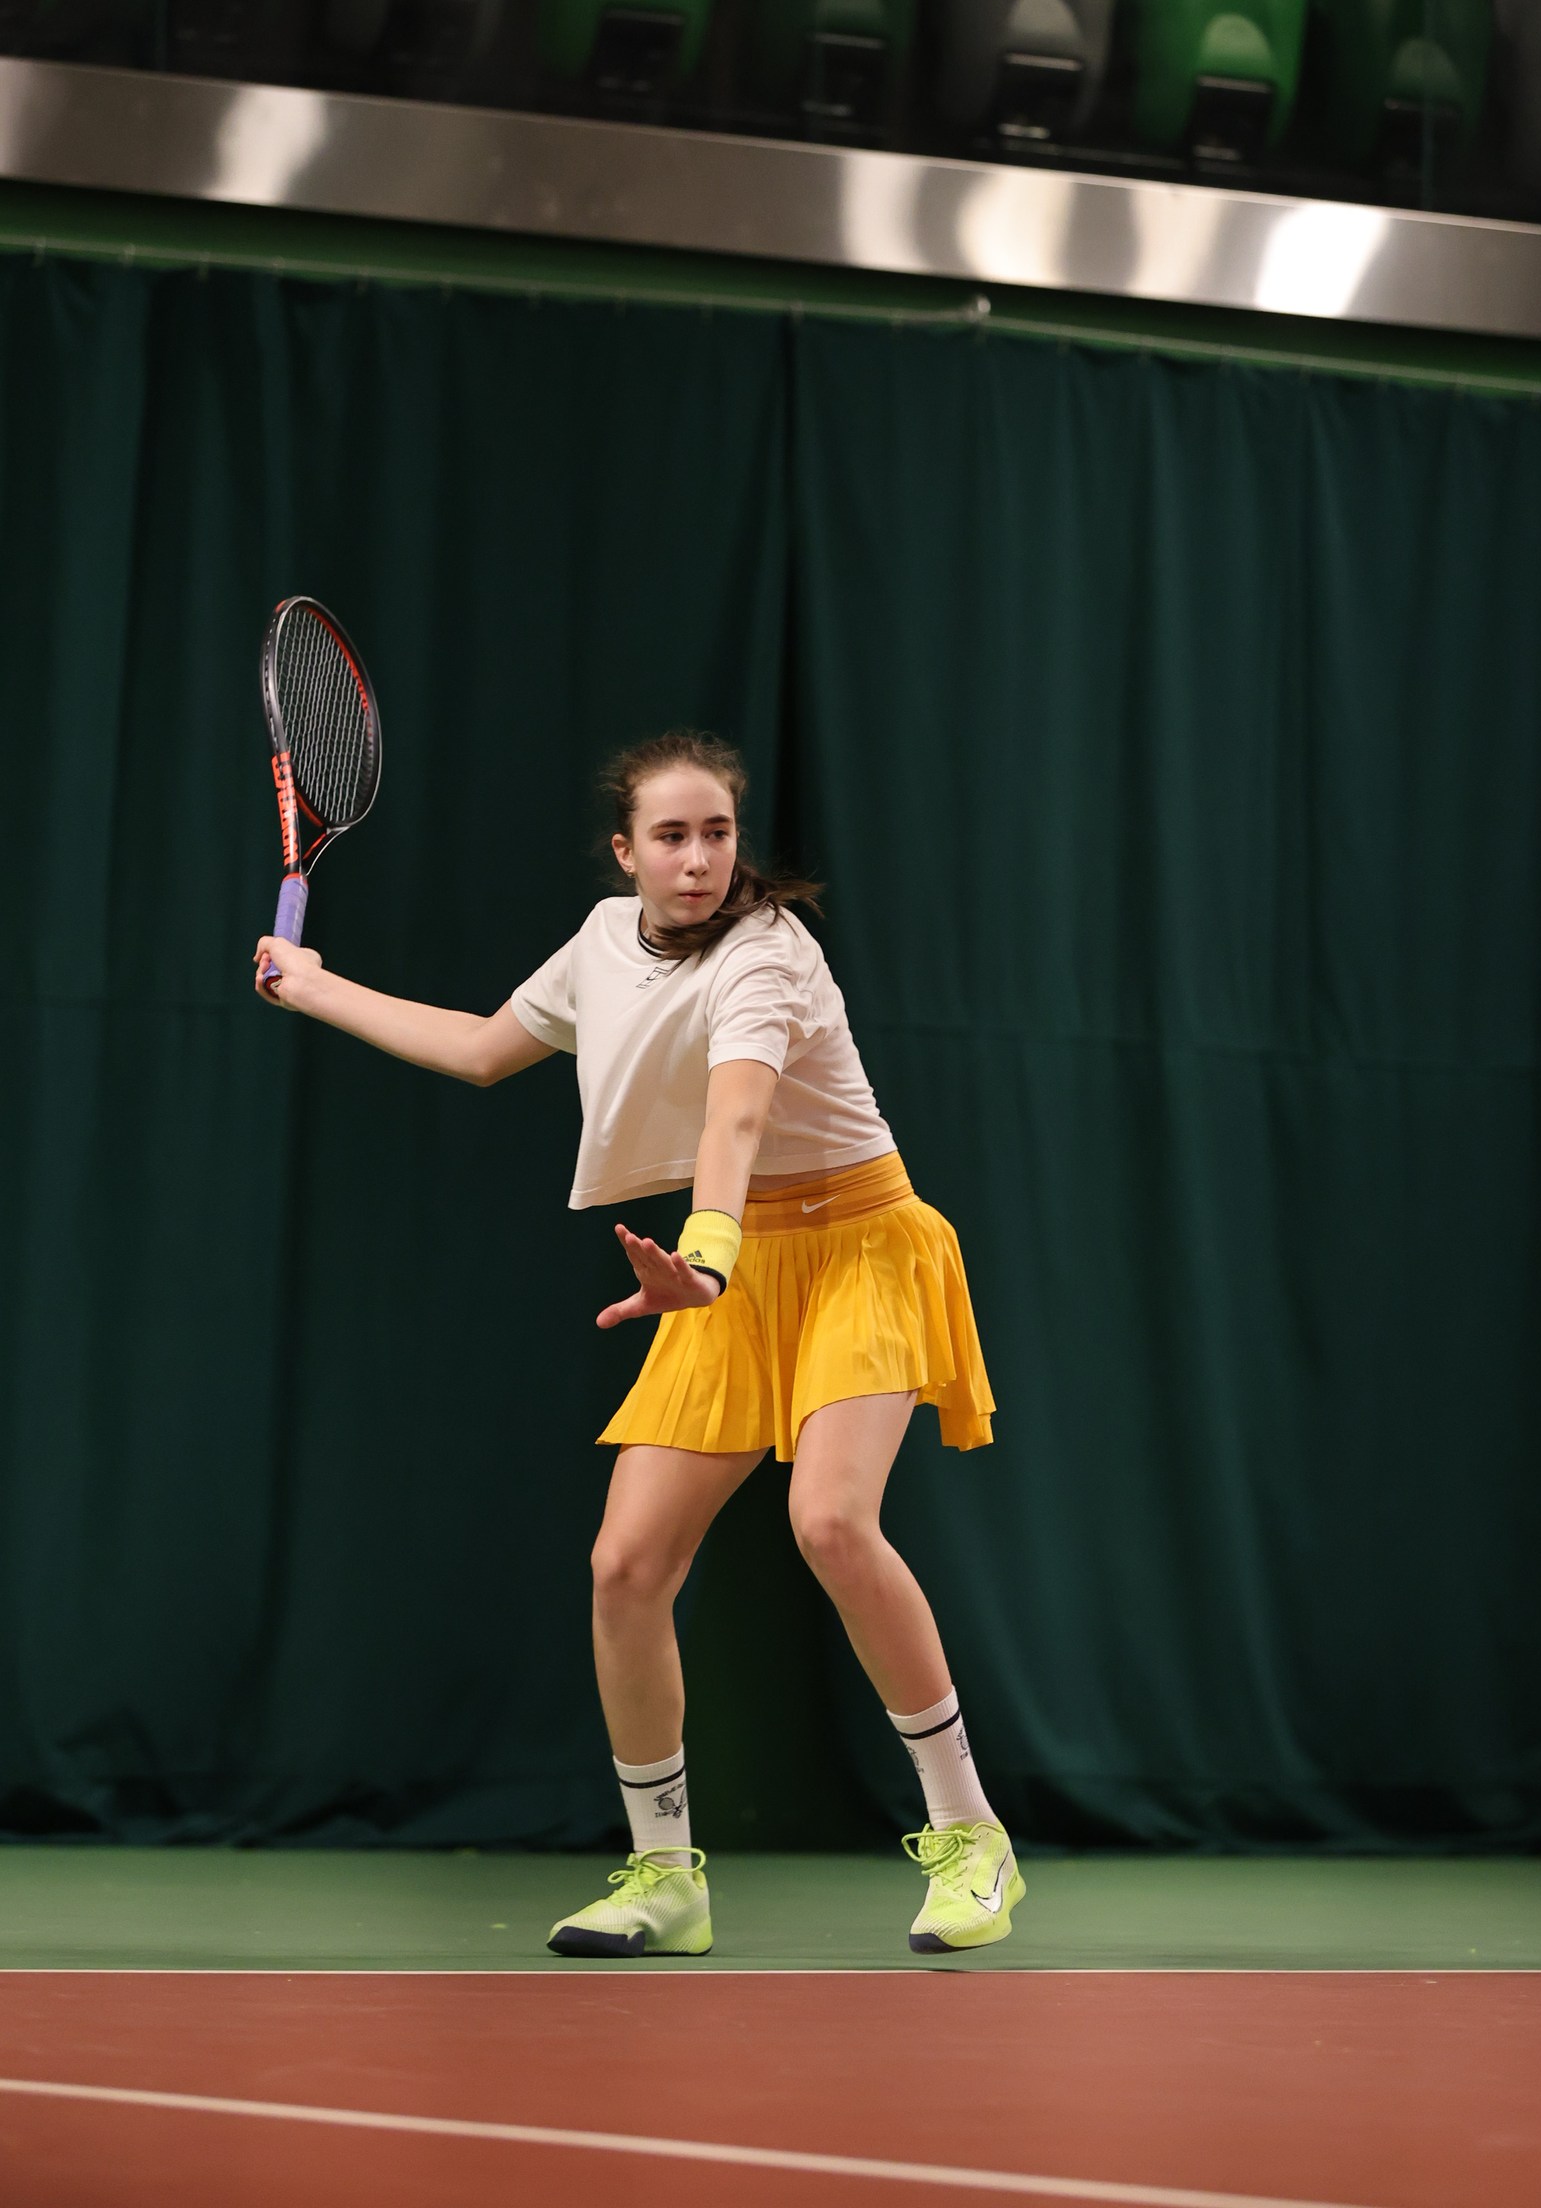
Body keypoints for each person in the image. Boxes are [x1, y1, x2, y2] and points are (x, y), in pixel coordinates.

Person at [253, 727, 1020, 1959]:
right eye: (672, 836)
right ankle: (666, 1874)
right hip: (733, 1267)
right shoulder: (604, 942)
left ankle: (971, 1833)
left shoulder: (770, 951)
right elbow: (482, 1049)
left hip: (860, 1245)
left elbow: (736, 1118)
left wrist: (703, 1257)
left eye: (718, 832)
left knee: (831, 1521)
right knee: (625, 1566)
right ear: (627, 851)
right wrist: (313, 985)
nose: (700, 858)